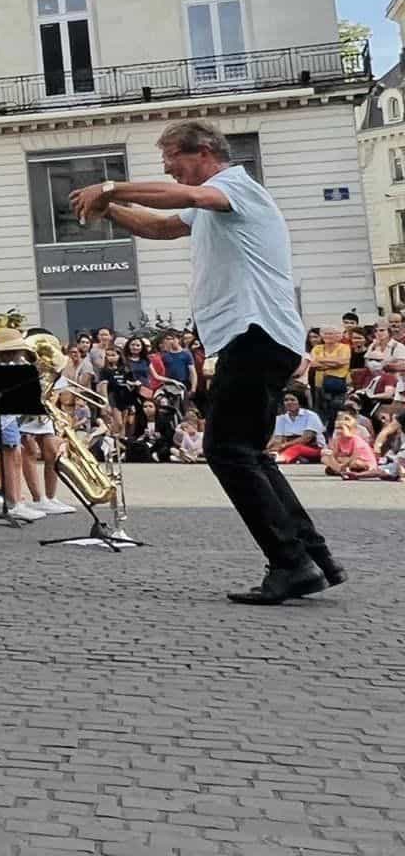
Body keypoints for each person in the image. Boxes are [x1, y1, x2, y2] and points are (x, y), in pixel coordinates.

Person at [71, 119, 342, 603]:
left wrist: (110, 186)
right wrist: (111, 208)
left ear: (202, 153)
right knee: (249, 453)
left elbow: (191, 200)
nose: (168, 168)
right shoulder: (214, 201)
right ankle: (313, 556)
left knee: (227, 451)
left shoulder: (234, 187)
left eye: (172, 158)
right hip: (258, 337)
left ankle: (291, 563)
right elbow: (160, 226)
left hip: (253, 333)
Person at [305, 327, 353, 435]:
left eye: (332, 333)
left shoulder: (344, 347)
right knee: (321, 411)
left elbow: (342, 362)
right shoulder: (317, 348)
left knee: (336, 411)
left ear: (339, 336)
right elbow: (313, 363)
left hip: (338, 384)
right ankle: (321, 434)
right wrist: (333, 363)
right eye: (326, 334)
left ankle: (333, 433)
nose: (328, 336)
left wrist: (322, 362)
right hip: (319, 384)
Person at [268, 393, 327, 464]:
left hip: (313, 447)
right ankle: (296, 458)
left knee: (297, 448)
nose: (289, 402)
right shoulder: (280, 418)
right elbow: (278, 439)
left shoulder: (311, 415)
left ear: (300, 402)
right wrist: (271, 447)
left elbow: (306, 438)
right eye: (286, 400)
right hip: (288, 447)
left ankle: (282, 458)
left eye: (292, 400)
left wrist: (283, 445)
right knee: (269, 451)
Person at [323, 413, 378, 478]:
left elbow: (354, 456)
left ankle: (344, 470)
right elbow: (335, 454)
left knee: (354, 463)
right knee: (325, 458)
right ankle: (341, 470)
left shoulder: (356, 440)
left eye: (341, 428)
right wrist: (330, 457)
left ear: (351, 429)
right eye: (337, 428)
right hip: (347, 461)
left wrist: (343, 464)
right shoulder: (338, 439)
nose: (338, 431)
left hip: (363, 462)